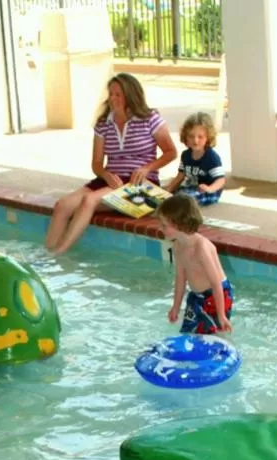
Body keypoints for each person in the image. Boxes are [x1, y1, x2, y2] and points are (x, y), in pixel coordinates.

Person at [45, 73, 177, 255]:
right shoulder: (103, 123)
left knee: (88, 200)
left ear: (130, 95)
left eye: (118, 94)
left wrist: (147, 168)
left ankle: (59, 253)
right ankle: (47, 253)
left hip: (139, 185)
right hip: (110, 180)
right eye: (111, 94)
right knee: (62, 205)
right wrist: (106, 175)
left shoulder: (150, 119)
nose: (113, 98)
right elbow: (97, 164)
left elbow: (171, 152)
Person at [157, 194, 233, 335]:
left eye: (164, 225)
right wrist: (175, 307)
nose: (160, 228)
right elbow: (180, 278)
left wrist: (221, 315)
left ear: (179, 224)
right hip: (196, 296)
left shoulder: (201, 247)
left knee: (212, 335)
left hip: (216, 294)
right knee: (188, 333)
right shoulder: (177, 246)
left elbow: (215, 283)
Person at [164, 112, 226, 206]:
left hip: (207, 191)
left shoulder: (211, 157)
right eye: (191, 136)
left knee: (185, 200)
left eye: (200, 137)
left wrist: (210, 189)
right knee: (175, 194)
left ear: (208, 138)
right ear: (185, 137)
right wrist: (168, 189)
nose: (195, 140)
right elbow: (180, 175)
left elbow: (221, 180)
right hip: (191, 187)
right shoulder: (185, 155)